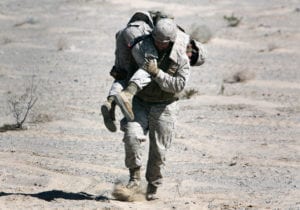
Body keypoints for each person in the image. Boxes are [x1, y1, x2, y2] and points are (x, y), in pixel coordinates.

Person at [114, 18, 206, 200]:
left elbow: (178, 85)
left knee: (159, 151)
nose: (159, 45)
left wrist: (157, 73)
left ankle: (153, 186)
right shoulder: (142, 46)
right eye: (156, 40)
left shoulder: (182, 54)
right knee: (132, 136)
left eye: (163, 43)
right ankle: (134, 178)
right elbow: (125, 65)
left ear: (171, 41)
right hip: (139, 102)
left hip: (165, 105)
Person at [101, 11, 206, 132]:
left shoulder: (163, 24)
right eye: (192, 55)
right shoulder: (179, 37)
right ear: (194, 48)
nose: (189, 56)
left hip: (124, 35)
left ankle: (110, 102)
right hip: (135, 37)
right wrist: (157, 71)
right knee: (149, 66)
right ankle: (128, 94)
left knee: (122, 75)